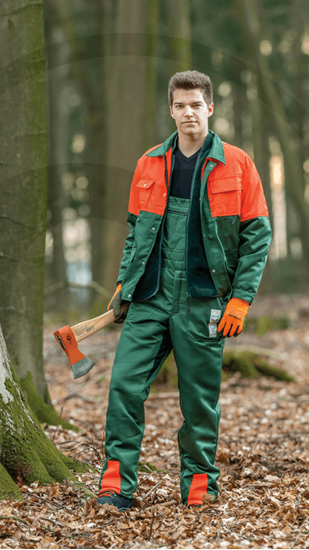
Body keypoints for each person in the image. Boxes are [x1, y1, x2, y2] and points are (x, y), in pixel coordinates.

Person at [96, 70, 272, 510]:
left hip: (204, 301)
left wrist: (240, 300)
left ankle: (198, 491)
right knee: (123, 387)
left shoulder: (238, 164)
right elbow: (137, 231)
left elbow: (258, 237)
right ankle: (116, 487)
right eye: (180, 105)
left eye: (196, 104)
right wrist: (124, 283)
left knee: (199, 404)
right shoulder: (149, 163)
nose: (188, 112)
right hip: (150, 298)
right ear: (170, 109)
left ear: (210, 108)